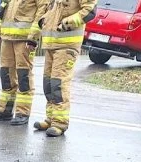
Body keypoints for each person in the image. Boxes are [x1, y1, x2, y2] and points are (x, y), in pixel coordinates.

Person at [33, 0, 95, 136]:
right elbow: (52, 11)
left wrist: (66, 24)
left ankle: (60, 123)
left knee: (58, 84)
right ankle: (50, 119)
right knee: (48, 84)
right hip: (51, 44)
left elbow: (90, 11)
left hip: (66, 45)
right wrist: (43, 21)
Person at [0, 0, 40, 125]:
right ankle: (5, 110)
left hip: (24, 39)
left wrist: (33, 37)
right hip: (7, 37)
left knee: (23, 76)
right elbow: (3, 12)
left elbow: (41, 14)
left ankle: (22, 112)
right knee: (6, 75)